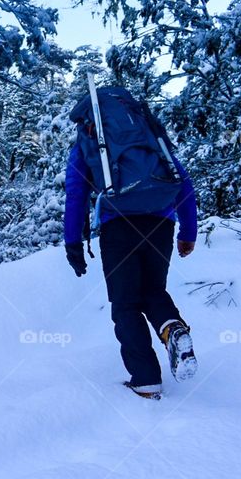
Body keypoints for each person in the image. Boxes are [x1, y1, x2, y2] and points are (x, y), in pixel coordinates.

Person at [63, 141, 199, 399]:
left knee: (125, 303)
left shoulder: (90, 138)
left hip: (119, 225)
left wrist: (73, 243)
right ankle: (172, 329)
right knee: (154, 291)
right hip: (161, 222)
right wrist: (188, 232)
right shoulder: (147, 132)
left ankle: (146, 381)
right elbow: (183, 180)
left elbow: (76, 193)